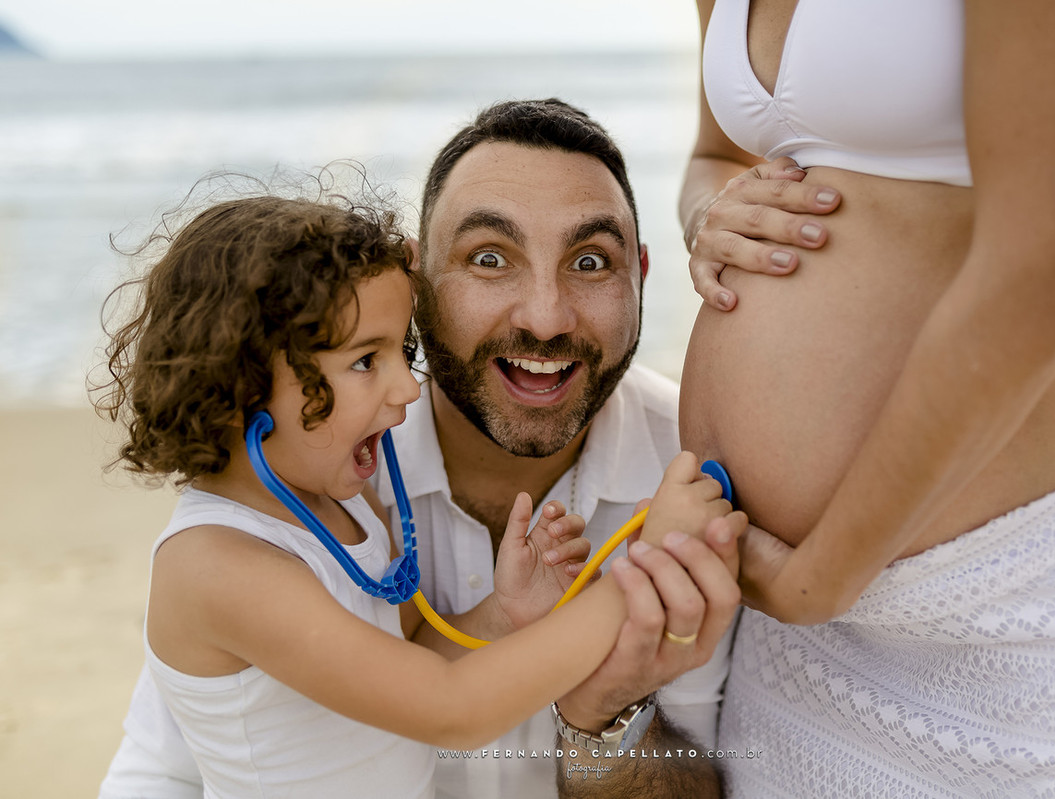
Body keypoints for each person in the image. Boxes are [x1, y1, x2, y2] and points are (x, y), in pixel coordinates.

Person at [99, 100, 833, 798]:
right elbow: (445, 707)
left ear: (641, 274)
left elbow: (414, 653)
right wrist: (642, 574)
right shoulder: (268, 518)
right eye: (488, 257)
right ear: (419, 280)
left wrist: (517, 631)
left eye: (589, 262)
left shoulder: (708, 468)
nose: (545, 318)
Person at [673, 0, 1055, 796]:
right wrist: (709, 215)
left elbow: (1053, 268)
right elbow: (719, 155)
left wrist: (823, 575)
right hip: (803, 618)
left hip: (1042, 585)